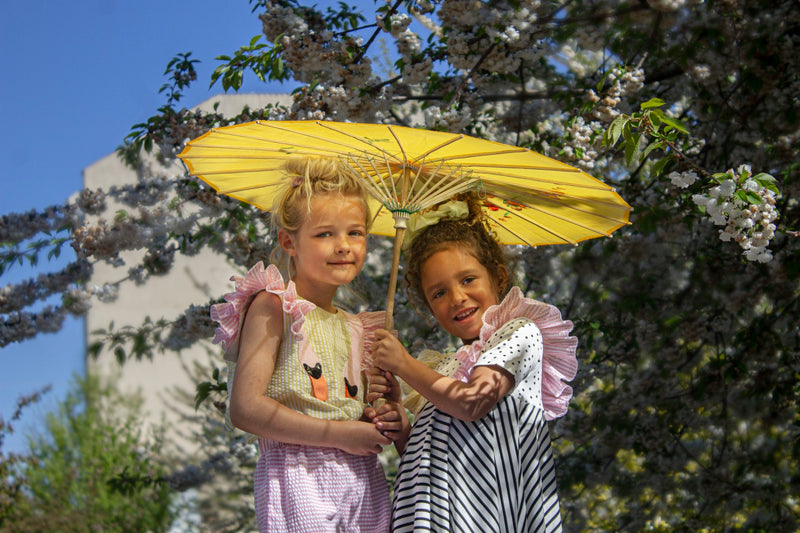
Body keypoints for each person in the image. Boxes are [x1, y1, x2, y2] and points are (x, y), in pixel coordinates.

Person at [210, 156, 402, 533]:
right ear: (289, 241)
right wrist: (339, 434)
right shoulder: (274, 305)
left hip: (364, 480)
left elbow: (345, 410)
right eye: (324, 234)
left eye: (356, 233)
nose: (344, 246)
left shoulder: (358, 327)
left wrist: (383, 413)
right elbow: (245, 409)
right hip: (300, 477)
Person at [368, 192, 579, 532]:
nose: (457, 298)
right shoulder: (443, 368)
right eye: (438, 293)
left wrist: (404, 363)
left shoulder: (519, 333)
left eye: (468, 280)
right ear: (428, 306)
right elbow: (429, 455)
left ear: (497, 277)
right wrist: (401, 422)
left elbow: (472, 403)